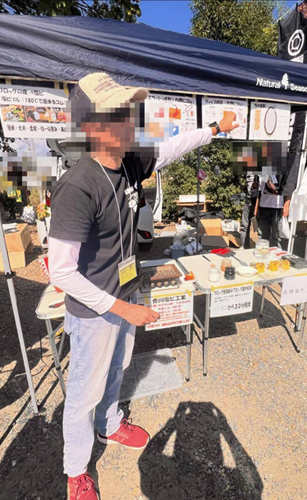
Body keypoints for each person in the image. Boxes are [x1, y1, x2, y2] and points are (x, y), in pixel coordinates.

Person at [48, 72, 238, 500]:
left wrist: (214, 129)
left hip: (126, 293)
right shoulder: (77, 186)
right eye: (117, 113)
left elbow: (172, 148)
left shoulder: (131, 160)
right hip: (95, 311)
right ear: (92, 126)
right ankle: (76, 470)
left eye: (130, 110)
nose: (130, 120)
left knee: (118, 369)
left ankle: (109, 425)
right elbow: (61, 272)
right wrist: (122, 308)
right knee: (83, 393)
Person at [240, 172, 259, 248]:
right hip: (248, 200)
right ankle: (244, 245)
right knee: (244, 225)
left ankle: (260, 247)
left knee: (258, 228)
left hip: (258, 201)